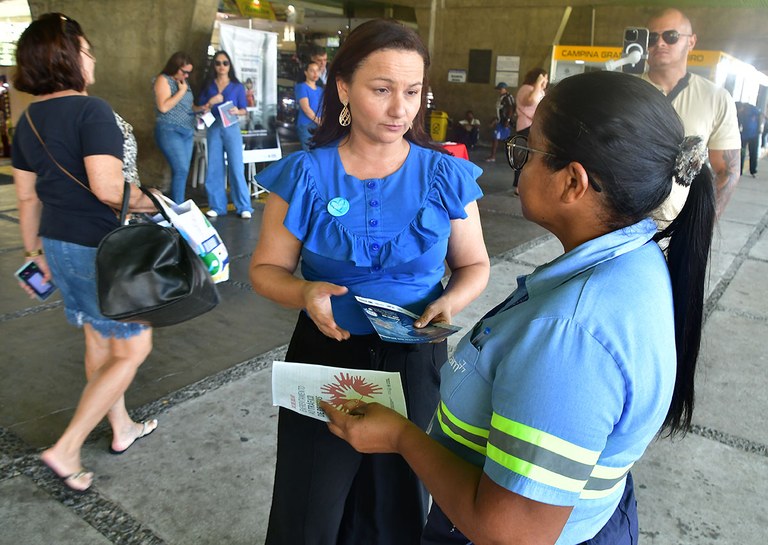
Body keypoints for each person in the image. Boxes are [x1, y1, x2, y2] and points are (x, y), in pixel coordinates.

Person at [321, 70, 717, 545]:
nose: (518, 159)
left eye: (528, 149)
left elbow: (511, 531)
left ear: (573, 183)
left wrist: (402, 438)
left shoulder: (570, 334)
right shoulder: (634, 257)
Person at [250, 18, 490, 545]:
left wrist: (450, 301)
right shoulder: (304, 174)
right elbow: (266, 271)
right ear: (343, 88)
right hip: (325, 355)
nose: (400, 108)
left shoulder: (445, 174)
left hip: (413, 358)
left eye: (413, 92)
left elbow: (475, 265)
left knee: (397, 503)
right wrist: (304, 292)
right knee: (309, 505)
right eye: (381, 90)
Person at [11, 13, 163, 492]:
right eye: (87, 48)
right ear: (67, 56)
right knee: (134, 346)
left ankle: (121, 428)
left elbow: (27, 198)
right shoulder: (91, 110)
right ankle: (67, 446)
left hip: (57, 243)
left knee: (99, 340)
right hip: (100, 247)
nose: (91, 57)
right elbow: (106, 186)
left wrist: (34, 249)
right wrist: (154, 201)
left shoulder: (28, 118)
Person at [642, 7, 741, 218]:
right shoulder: (625, 91)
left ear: (691, 41)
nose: (660, 43)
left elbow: (728, 171)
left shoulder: (715, 98)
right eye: (652, 37)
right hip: (623, 227)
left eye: (671, 36)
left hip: (681, 225)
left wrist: (702, 224)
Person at [197, 51, 254, 220]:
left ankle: (244, 205)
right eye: (218, 63)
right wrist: (210, 102)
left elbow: (244, 109)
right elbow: (199, 107)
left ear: (229, 65)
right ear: (214, 66)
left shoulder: (237, 86)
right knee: (214, 166)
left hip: (231, 126)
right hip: (213, 125)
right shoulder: (209, 86)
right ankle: (217, 205)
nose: (221, 66)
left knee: (236, 166)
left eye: (225, 63)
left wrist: (238, 110)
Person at [153, 51, 205, 204]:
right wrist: (181, 92)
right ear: (175, 67)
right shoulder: (163, 80)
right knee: (181, 169)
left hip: (187, 130)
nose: (187, 75)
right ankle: (178, 207)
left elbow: (189, 107)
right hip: (170, 129)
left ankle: (178, 205)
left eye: (189, 72)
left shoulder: (184, 83)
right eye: (184, 72)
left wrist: (202, 108)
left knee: (182, 171)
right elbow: (163, 107)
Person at [513, 68, 548, 193]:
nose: (546, 81)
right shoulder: (526, 89)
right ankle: (518, 186)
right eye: (545, 78)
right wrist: (538, 83)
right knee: (523, 156)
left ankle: (531, 184)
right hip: (526, 126)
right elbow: (531, 101)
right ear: (538, 77)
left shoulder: (540, 91)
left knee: (534, 157)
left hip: (536, 125)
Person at [294, 60, 323, 151]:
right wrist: (318, 121)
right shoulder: (302, 87)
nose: (315, 73)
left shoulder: (320, 89)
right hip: (306, 124)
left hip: (318, 125)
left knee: (318, 152)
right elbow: (306, 108)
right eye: (312, 70)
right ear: (306, 73)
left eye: (317, 70)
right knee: (309, 152)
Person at [485, 82, 515, 162]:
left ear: (504, 89)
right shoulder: (501, 97)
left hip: (505, 122)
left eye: (500, 89)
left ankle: (511, 156)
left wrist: (508, 120)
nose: (499, 91)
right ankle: (493, 156)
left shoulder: (508, 97)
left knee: (507, 140)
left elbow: (511, 109)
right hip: (500, 121)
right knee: (495, 138)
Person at [737, 101, 760, 177]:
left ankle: (753, 170)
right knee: (742, 153)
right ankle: (739, 170)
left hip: (754, 135)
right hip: (744, 136)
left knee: (753, 153)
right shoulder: (739, 114)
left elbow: (759, 115)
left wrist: (759, 128)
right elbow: (738, 124)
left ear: (742, 107)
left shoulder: (752, 108)